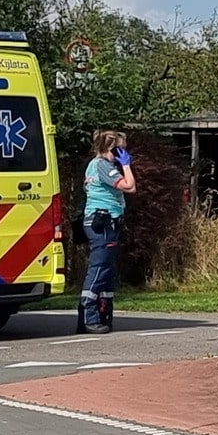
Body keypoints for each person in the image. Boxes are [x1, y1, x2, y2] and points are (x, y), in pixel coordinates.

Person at [80, 130, 135, 333]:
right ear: (111, 149)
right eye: (121, 149)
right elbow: (130, 186)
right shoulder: (102, 165)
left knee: (107, 271)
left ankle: (103, 314)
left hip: (106, 222)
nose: (123, 153)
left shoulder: (98, 165)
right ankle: (88, 317)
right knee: (100, 267)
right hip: (102, 223)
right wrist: (127, 165)